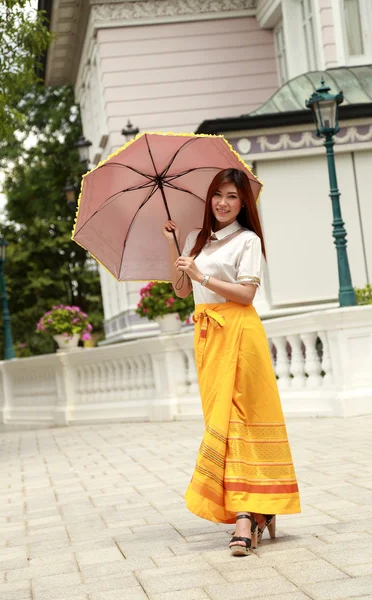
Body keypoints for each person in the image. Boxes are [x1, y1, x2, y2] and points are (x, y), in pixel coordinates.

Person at [162, 168, 301, 557]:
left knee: (239, 420)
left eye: (232, 197)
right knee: (218, 422)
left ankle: (245, 516)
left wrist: (202, 273)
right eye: (218, 195)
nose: (223, 203)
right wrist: (177, 250)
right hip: (207, 337)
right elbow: (181, 289)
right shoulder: (194, 239)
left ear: (243, 203)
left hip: (239, 333)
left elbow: (245, 296)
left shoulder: (248, 241)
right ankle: (259, 508)